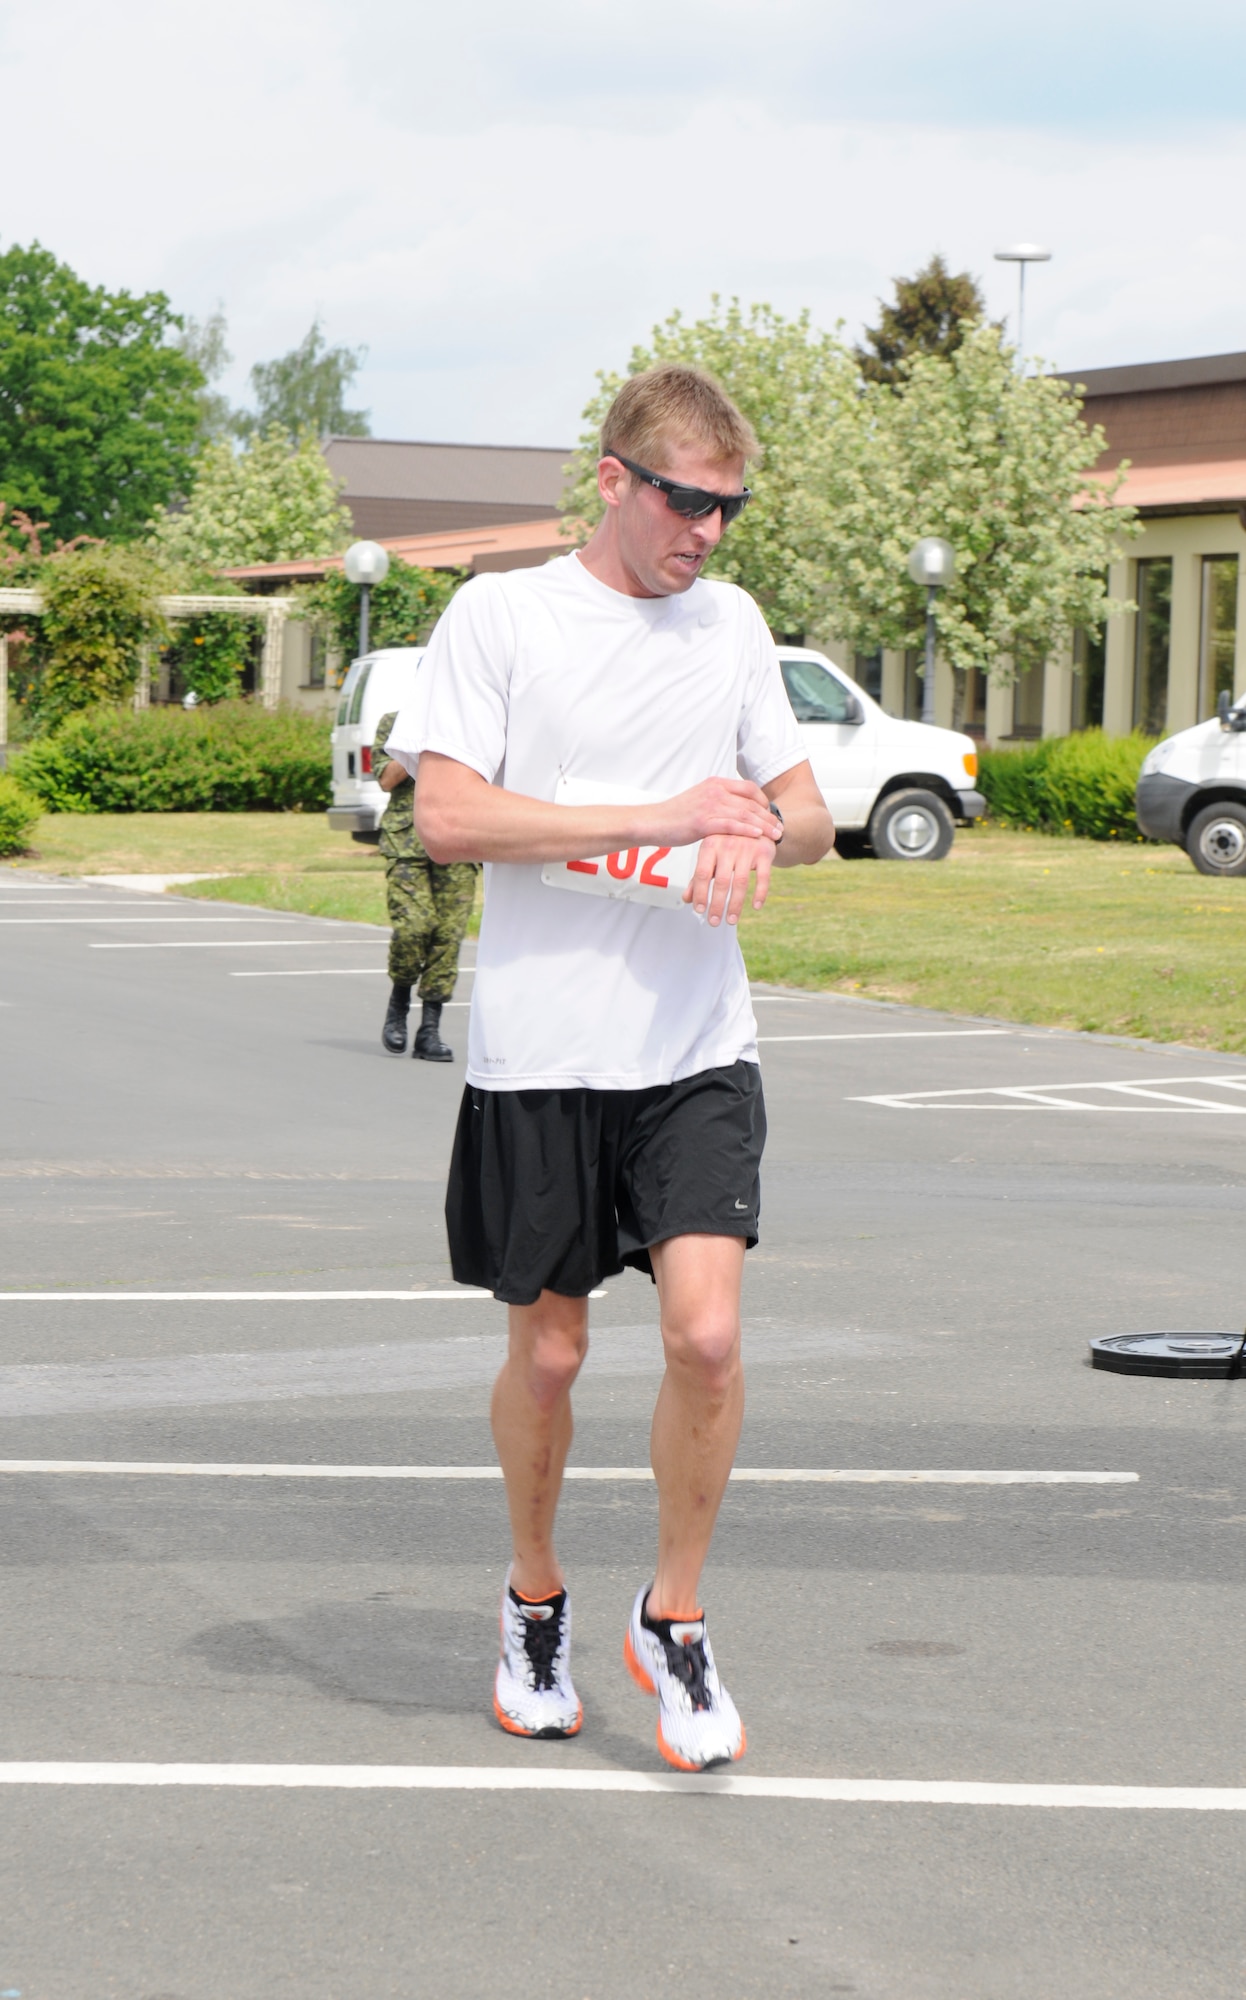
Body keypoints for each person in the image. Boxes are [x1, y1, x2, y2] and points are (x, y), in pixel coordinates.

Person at [387, 364, 834, 1770]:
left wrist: (756, 834)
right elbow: (449, 816)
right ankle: (533, 1600)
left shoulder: (735, 624)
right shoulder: (503, 615)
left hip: (694, 1043)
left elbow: (809, 813)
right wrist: (663, 817)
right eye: (681, 499)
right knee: (554, 1349)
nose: (703, 530)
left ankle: (676, 1619)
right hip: (541, 1049)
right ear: (610, 480)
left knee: (706, 1336)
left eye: (726, 506)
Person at [373, 708, 478, 1061]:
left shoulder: (473, 724)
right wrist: (420, 739)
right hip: (407, 844)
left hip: (458, 840)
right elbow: (386, 779)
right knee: (413, 927)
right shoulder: (397, 722)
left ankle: (429, 1030)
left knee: (447, 936)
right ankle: (398, 1004)